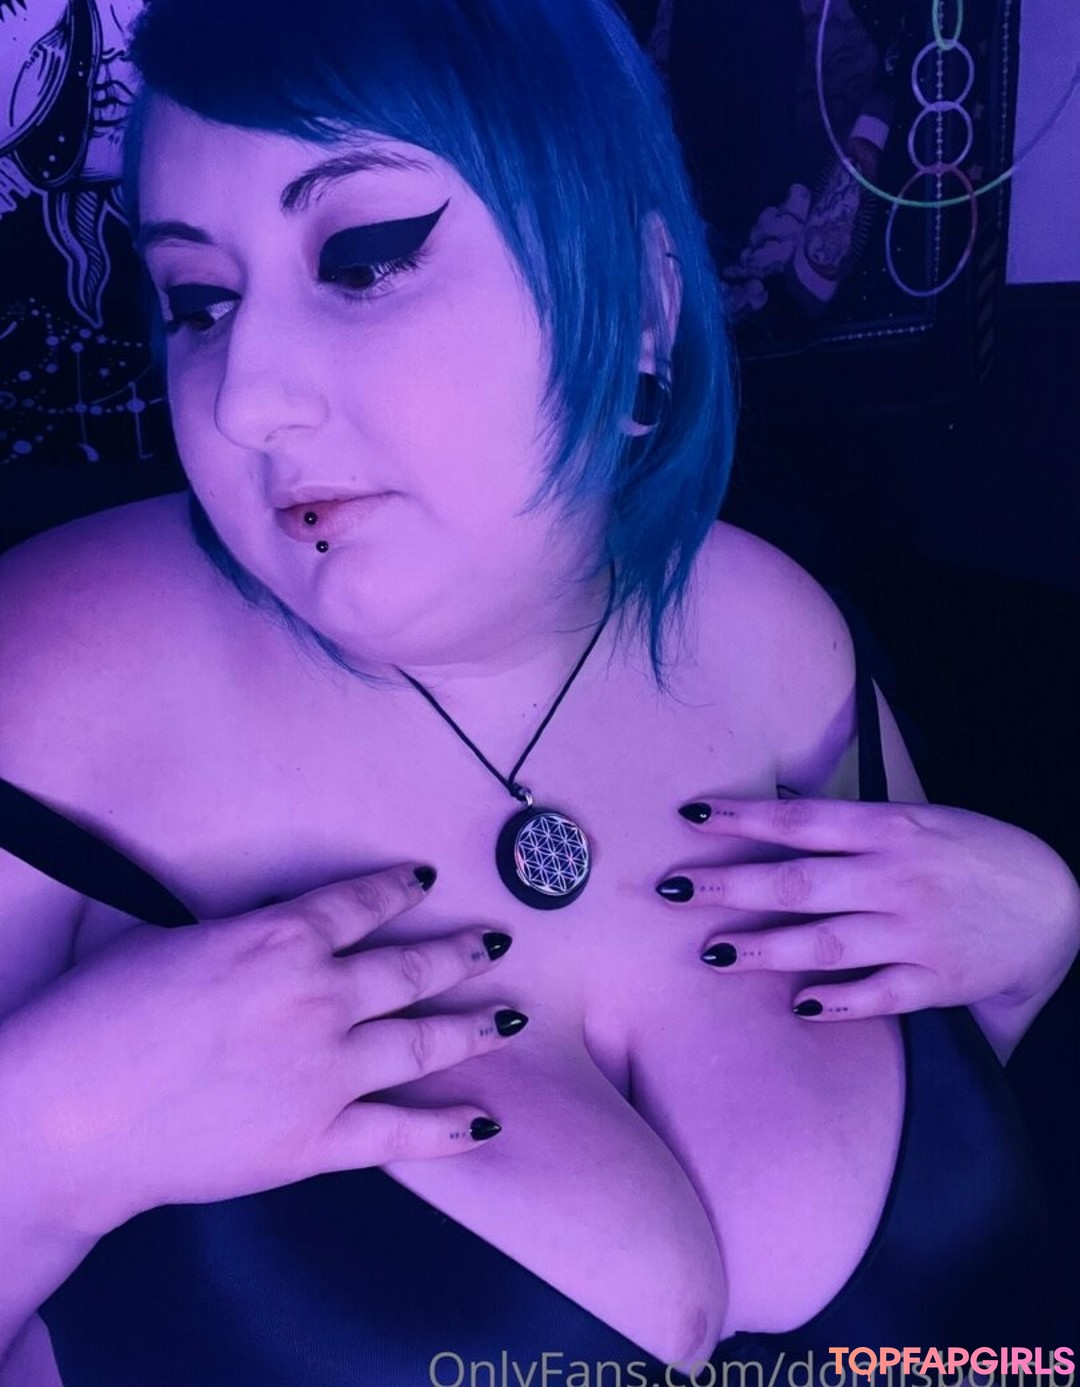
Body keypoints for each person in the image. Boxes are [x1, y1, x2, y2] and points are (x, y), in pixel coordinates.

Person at [0, 1, 1077, 1382]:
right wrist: (55, 1138)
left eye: (365, 261)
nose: (242, 399)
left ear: (641, 305)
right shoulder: (53, 686)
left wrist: (1033, 948)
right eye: (199, 302)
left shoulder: (771, 636)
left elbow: (960, 1269)